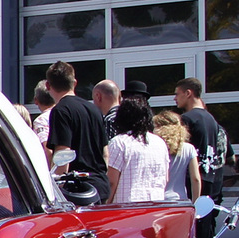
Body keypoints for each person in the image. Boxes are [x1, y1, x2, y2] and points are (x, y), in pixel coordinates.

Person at [45, 62, 109, 201]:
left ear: (48, 86)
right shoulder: (94, 109)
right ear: (74, 83)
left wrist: (58, 191)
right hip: (100, 186)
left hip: (78, 190)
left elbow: (63, 154)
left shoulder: (61, 110)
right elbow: (105, 153)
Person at [105, 98, 169, 204]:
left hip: (126, 207)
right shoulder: (159, 142)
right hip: (155, 205)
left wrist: (105, 205)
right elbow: (165, 178)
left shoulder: (119, 143)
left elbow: (112, 182)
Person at [173, 77, 227, 201]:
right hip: (210, 179)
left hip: (192, 181)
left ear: (188, 93)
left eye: (177, 94)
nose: (175, 98)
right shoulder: (211, 119)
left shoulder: (186, 119)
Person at [152, 110, 201, 202]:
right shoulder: (189, 148)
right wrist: (195, 203)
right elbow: (196, 179)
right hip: (180, 199)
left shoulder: (154, 147)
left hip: (158, 198)